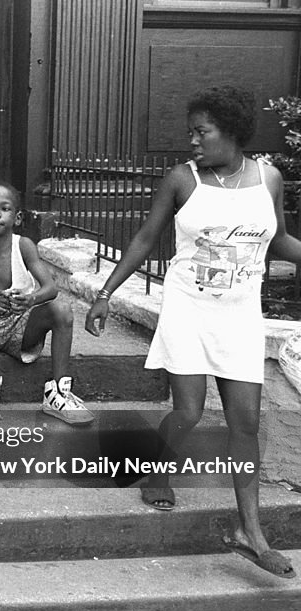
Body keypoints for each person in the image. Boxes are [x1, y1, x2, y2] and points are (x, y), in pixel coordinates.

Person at [85, 86, 300, 579]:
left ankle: (251, 531)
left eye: (202, 132)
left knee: (245, 422)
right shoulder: (182, 179)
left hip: (241, 313)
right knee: (189, 409)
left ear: (232, 133)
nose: (193, 141)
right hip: (188, 308)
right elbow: (144, 238)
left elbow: (281, 240)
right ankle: (157, 465)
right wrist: (105, 294)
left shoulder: (269, 179)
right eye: (191, 132)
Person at [0, 182, 94, 426]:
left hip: (21, 326)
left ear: (17, 217)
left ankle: (58, 391)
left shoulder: (24, 246)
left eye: (4, 208)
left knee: (62, 310)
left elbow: (51, 288)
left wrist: (31, 299)